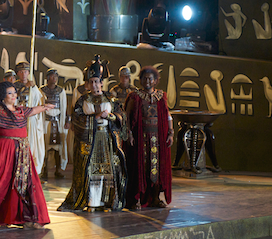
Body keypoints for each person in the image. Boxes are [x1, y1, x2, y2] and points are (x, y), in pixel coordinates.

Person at [0, 81, 53, 228]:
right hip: (4, 151)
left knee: (25, 184)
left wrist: (45, 107)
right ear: (3, 96)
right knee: (0, 183)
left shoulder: (20, 110)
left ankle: (27, 218)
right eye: (10, 93)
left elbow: (33, 110)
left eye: (14, 92)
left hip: (22, 152)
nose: (14, 95)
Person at [58, 63, 127, 212]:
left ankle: (106, 201)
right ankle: (92, 202)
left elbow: (121, 117)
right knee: (90, 169)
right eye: (91, 82)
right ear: (88, 84)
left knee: (107, 171)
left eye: (97, 81)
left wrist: (109, 116)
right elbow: (77, 119)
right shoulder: (82, 100)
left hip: (107, 139)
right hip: (90, 140)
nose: (94, 84)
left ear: (101, 83)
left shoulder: (110, 98)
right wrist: (94, 118)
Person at [125, 66, 173, 209]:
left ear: (155, 81)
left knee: (156, 168)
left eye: (150, 79)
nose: (147, 81)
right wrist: (129, 133)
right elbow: (127, 116)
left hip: (157, 138)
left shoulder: (161, 96)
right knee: (138, 168)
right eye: (144, 78)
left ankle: (155, 198)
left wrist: (170, 132)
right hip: (140, 138)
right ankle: (134, 200)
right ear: (140, 80)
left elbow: (167, 115)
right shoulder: (135, 96)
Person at [13, 61, 46, 176]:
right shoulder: (14, 86)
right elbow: (13, 99)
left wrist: (31, 87)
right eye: (21, 72)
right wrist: (24, 87)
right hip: (19, 120)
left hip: (31, 121)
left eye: (26, 72)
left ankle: (32, 171)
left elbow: (38, 100)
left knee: (32, 145)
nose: (24, 74)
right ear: (18, 73)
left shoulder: (33, 87)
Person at [40, 68, 68, 179]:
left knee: (58, 147)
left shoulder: (60, 91)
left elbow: (64, 107)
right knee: (45, 147)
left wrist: (65, 122)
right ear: (47, 78)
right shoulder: (41, 91)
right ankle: (44, 169)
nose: (54, 78)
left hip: (57, 123)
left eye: (56, 76)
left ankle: (58, 170)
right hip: (45, 123)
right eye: (52, 76)